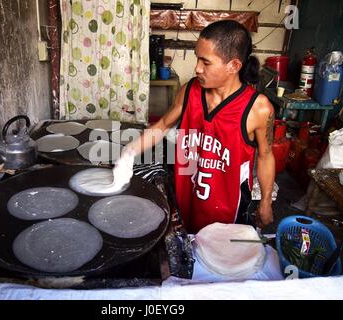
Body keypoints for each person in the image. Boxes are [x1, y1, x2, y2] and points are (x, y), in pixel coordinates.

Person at [113, 20, 275, 233]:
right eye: (197, 58)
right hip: (186, 198)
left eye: (205, 62)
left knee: (218, 259)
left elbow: (265, 155)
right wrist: (128, 152)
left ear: (234, 66)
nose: (197, 68)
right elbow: (162, 125)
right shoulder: (190, 91)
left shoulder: (258, 109)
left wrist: (265, 201)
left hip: (227, 212)